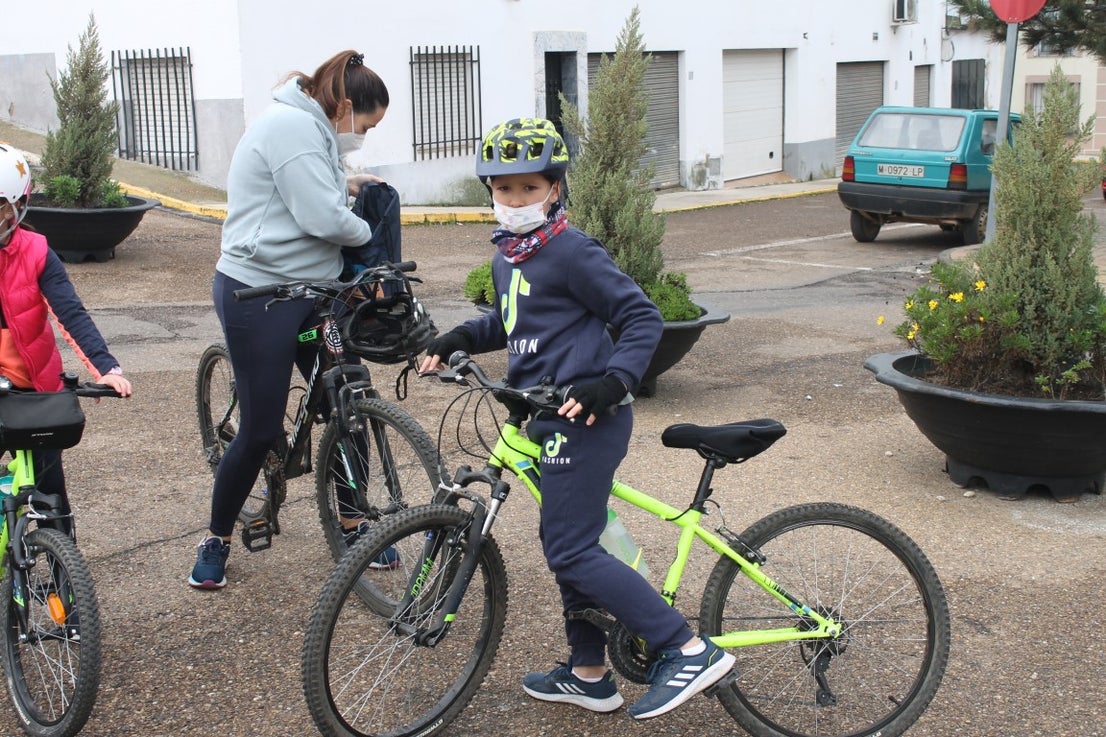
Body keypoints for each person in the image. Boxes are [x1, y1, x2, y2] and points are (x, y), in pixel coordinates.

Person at [418, 118, 736, 720]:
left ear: (554, 189)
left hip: (586, 419)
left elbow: (641, 318)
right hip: (542, 413)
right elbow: (517, 322)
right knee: (563, 539)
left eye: (528, 189)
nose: (514, 202)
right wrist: (461, 333)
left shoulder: (572, 250)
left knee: (570, 548)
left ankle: (686, 647)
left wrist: (613, 381)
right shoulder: (513, 254)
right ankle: (590, 673)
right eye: (503, 190)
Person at [189, 50, 391, 590]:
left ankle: (353, 525)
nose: (363, 136)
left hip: (313, 289)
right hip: (259, 292)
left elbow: (315, 192)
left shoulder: (315, 129)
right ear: (344, 105)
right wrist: (375, 235)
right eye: (366, 125)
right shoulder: (289, 126)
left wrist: (347, 185)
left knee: (350, 396)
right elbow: (318, 216)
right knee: (258, 429)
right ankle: (216, 537)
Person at [0, 142, 134, 535]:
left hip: (32, 390)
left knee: (51, 496)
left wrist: (106, 368)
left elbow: (71, 314)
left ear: (16, 207)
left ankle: (63, 577)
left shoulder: (37, 252)